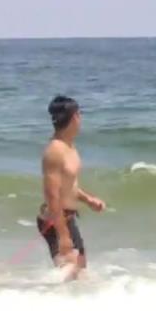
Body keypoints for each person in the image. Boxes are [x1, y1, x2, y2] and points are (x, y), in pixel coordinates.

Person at [37, 95, 106, 278]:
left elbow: (69, 185)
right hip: (55, 221)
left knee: (80, 270)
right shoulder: (54, 151)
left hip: (68, 218)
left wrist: (88, 199)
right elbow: (52, 196)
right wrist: (63, 235)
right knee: (70, 273)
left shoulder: (69, 147)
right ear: (75, 117)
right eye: (79, 114)